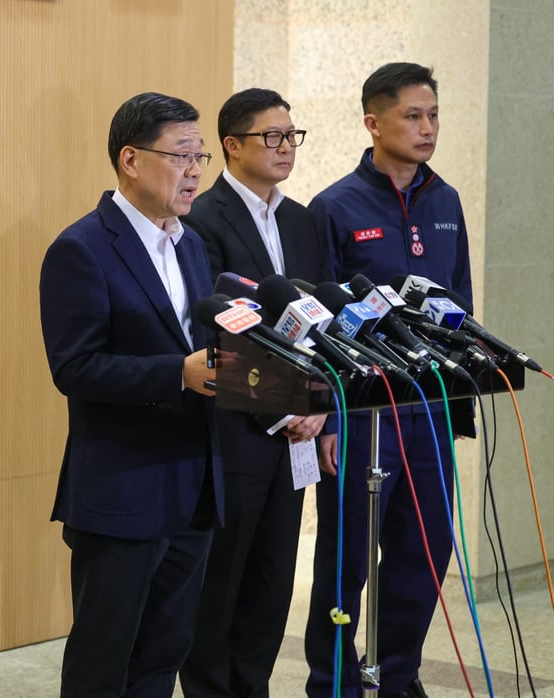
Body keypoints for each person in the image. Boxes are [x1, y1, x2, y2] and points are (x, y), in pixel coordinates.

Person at [39, 91, 223, 698]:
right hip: (121, 492)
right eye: (182, 156)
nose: (195, 171)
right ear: (131, 160)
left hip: (192, 488)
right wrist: (179, 372)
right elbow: (76, 368)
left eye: (201, 157)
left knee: (162, 655)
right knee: (103, 660)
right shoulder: (82, 248)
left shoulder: (191, 244)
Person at [303, 63, 474, 698]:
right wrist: (324, 414)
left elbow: (461, 304)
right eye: (412, 115)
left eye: (433, 115)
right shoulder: (334, 207)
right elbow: (317, 326)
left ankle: (398, 674)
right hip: (364, 414)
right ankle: (335, 680)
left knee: (426, 552)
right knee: (345, 560)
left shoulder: (447, 200)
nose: (427, 128)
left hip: (428, 408)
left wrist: (459, 410)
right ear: (373, 122)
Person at [178, 88, 329, 698]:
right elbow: (212, 325)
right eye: (272, 136)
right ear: (232, 145)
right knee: (222, 582)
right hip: (234, 429)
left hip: (297, 431)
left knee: (272, 582)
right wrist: (286, 401)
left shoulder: (301, 219)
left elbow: (318, 321)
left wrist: (318, 406)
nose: (286, 146)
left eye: (293, 135)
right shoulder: (203, 220)